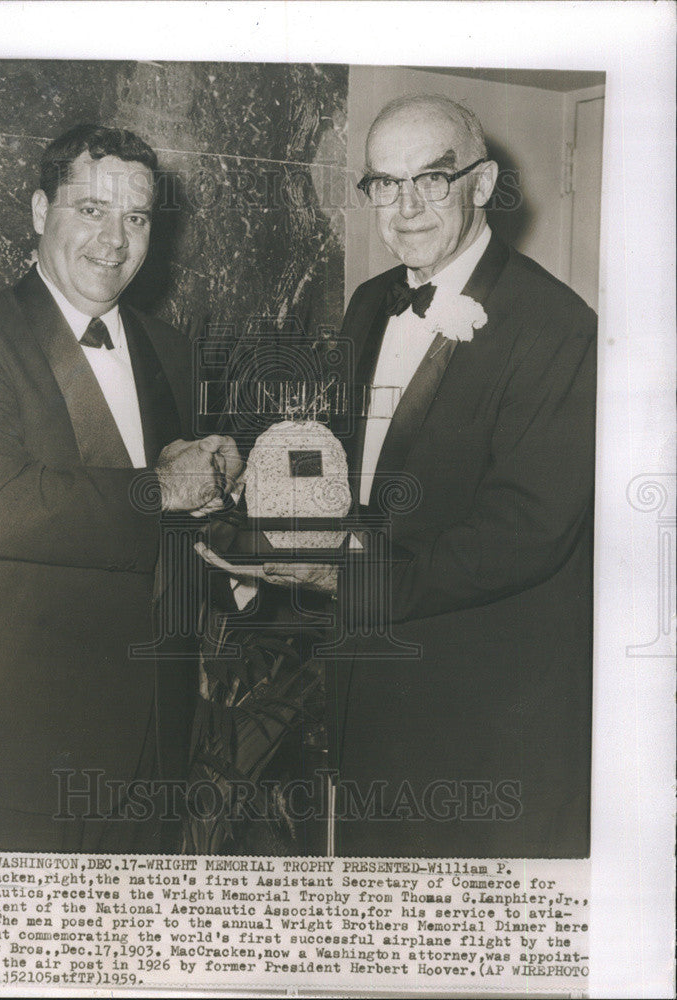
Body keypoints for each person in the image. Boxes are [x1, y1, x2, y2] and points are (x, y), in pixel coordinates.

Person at [262, 95, 596, 857]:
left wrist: (344, 579)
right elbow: (358, 471)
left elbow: (525, 534)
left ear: (480, 185)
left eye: (430, 181)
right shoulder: (370, 301)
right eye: (384, 183)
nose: (405, 208)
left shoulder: (559, 330)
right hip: (371, 688)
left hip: (486, 711)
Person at [0, 124, 241, 853]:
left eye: (136, 217)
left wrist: (221, 486)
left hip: (159, 740)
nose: (115, 240)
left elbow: (172, 518)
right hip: (28, 748)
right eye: (91, 210)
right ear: (41, 211)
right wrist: (162, 489)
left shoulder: (169, 349)